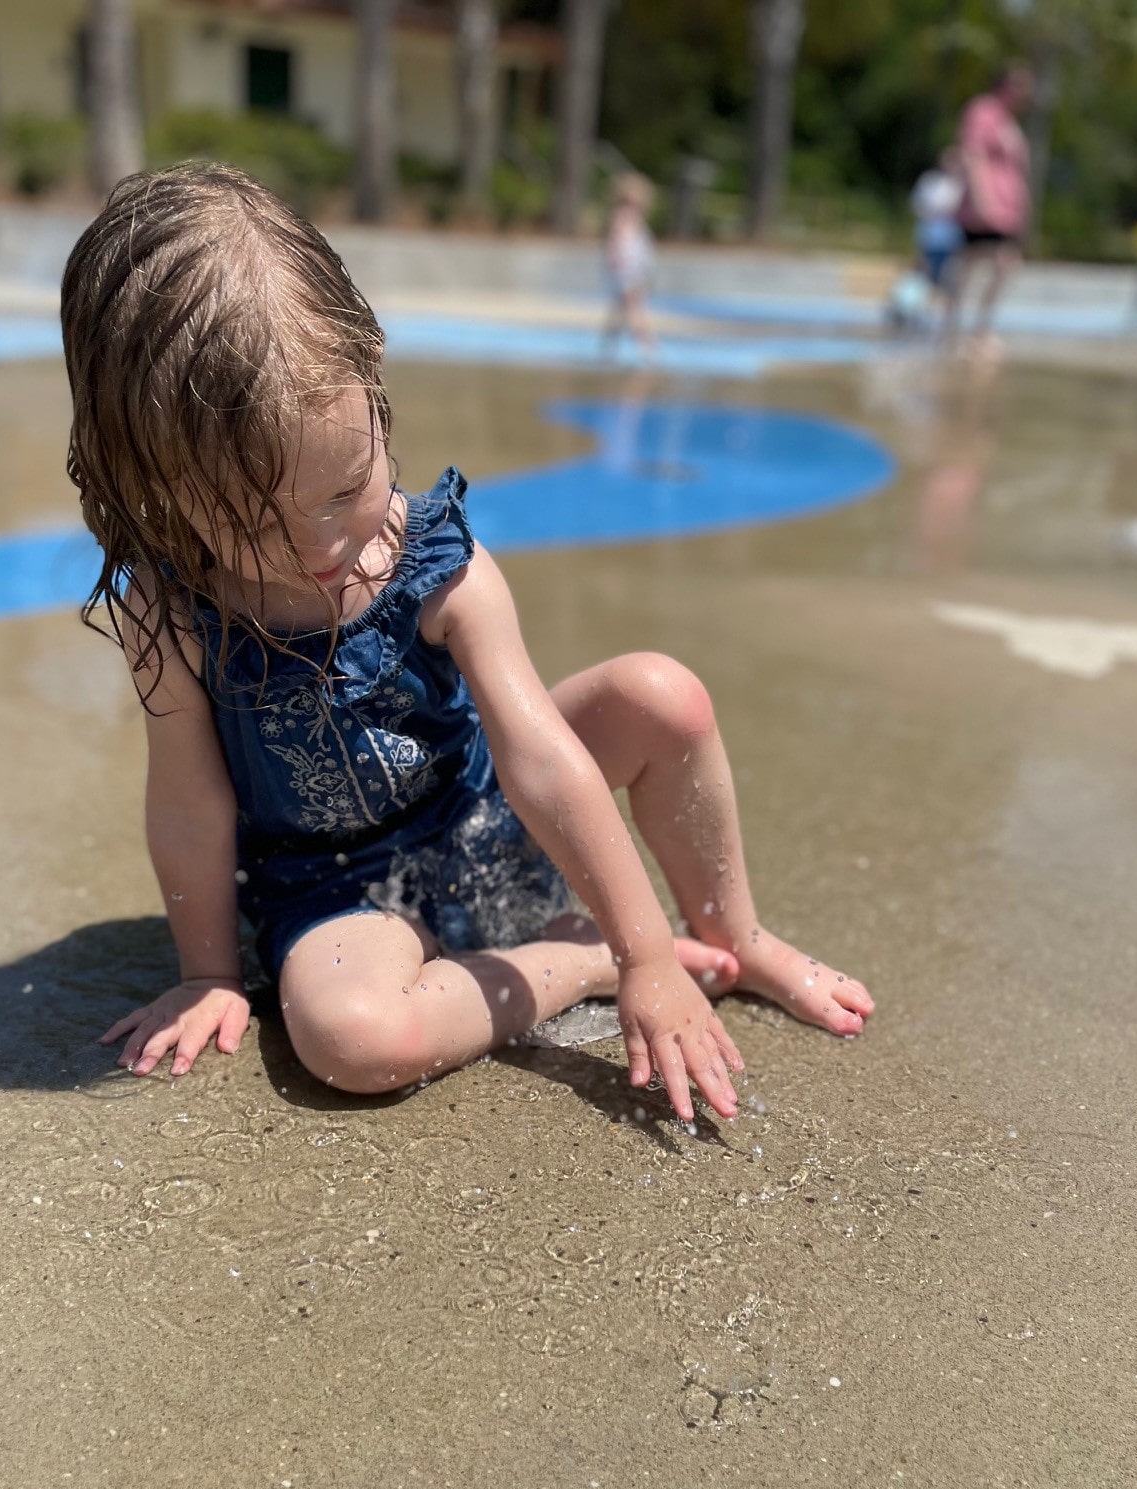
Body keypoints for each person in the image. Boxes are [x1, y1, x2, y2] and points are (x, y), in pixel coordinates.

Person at [61, 163, 874, 1122]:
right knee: (354, 1041)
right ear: (147, 482)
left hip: (486, 818)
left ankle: (733, 935)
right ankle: (574, 962)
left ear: (373, 381)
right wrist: (212, 976)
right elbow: (191, 803)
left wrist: (656, 955)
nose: (324, 549)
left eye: (343, 490)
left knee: (663, 695)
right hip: (334, 892)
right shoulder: (172, 605)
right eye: (258, 528)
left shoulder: (437, 561)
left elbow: (540, 760)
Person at [944, 61, 1036, 355]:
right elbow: (972, 153)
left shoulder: (1010, 122)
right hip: (984, 206)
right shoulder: (982, 111)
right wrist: (983, 199)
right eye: (1019, 85)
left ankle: (979, 328)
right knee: (971, 263)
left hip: (1007, 210)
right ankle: (954, 327)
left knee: (1003, 263)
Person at [602, 172, 659, 361]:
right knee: (635, 309)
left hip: (634, 269)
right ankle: (647, 349)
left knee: (621, 310)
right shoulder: (621, 217)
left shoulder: (636, 218)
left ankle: (608, 348)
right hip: (625, 270)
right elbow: (615, 243)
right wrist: (616, 262)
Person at [911, 147, 966, 298]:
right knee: (926, 270)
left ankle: (943, 307)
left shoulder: (962, 183)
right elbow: (918, 205)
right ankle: (917, 303)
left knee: (949, 275)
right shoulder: (930, 180)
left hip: (952, 235)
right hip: (931, 232)